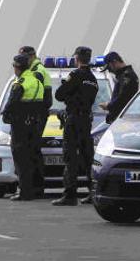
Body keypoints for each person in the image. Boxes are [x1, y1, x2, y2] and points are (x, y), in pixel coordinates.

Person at [52, 46, 99, 206]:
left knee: (70, 157)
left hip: (73, 120)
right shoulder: (93, 78)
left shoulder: (76, 75)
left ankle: (70, 195)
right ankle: (93, 193)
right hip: (86, 120)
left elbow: (59, 94)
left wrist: (68, 90)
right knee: (87, 158)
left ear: (77, 58)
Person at [0, 54, 45, 201]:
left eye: (14, 66)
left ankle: (25, 192)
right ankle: (37, 190)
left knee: (21, 159)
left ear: (18, 67)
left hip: (20, 126)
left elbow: (12, 104)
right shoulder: (37, 81)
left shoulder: (20, 83)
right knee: (33, 157)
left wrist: (6, 116)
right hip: (35, 125)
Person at [19, 46, 52, 196]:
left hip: (36, 115)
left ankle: (35, 186)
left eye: (24, 57)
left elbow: (45, 98)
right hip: (36, 115)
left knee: (32, 151)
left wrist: (35, 115)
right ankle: (34, 186)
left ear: (31, 56)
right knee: (33, 150)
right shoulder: (33, 70)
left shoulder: (37, 71)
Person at [98, 51, 139, 124]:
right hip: (121, 119)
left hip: (123, 121)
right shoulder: (123, 76)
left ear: (115, 62)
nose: (110, 71)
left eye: (109, 67)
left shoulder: (127, 76)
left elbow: (123, 98)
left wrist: (108, 106)